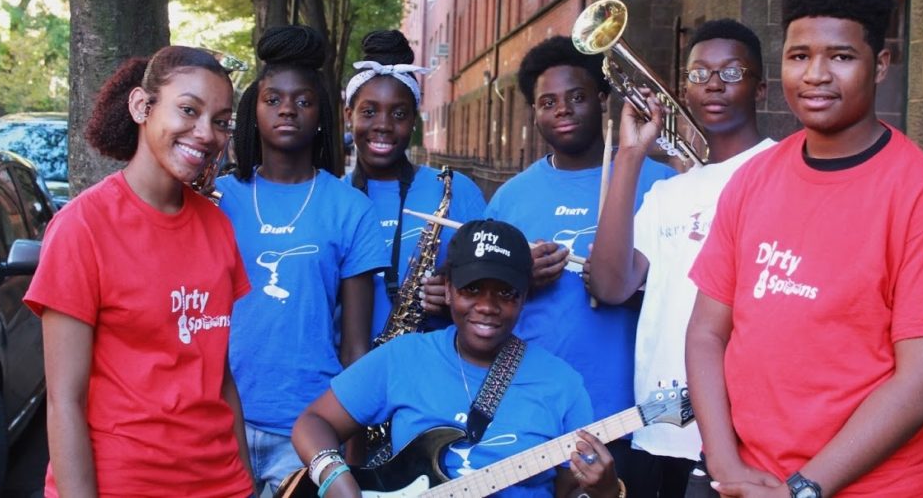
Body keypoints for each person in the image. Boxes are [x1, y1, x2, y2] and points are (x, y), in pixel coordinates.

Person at [685, 0, 923, 498]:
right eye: (799, 56)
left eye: (841, 57)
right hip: (743, 478)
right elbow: (707, 333)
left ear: (880, 65)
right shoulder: (753, 179)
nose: (816, 75)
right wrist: (725, 464)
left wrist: (802, 489)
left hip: (868, 489)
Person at [23, 47, 254, 497]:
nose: (206, 133)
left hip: (222, 483)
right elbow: (64, 401)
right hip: (122, 483)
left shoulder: (218, 227)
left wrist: (246, 483)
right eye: (189, 110)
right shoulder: (82, 227)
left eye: (221, 121)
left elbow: (219, 377)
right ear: (141, 106)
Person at [291, 218, 623, 498]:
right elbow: (313, 423)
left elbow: (570, 491)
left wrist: (606, 491)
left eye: (506, 292)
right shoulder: (405, 357)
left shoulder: (562, 385)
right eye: (471, 289)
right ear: (448, 290)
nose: (487, 306)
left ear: (524, 297)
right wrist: (336, 479)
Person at [588, 18, 774, 497]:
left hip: (745, 434)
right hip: (661, 425)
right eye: (698, 74)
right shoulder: (668, 192)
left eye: (731, 72)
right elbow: (610, 285)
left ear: (761, 89)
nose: (713, 84)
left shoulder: (781, 171)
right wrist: (631, 155)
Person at [483, 35, 674, 483]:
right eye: (547, 102)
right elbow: (481, 301)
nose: (562, 110)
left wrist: (628, 284)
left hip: (631, 413)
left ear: (603, 99)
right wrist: (518, 277)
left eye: (577, 97)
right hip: (532, 408)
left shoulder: (661, 184)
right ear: (534, 113)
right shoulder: (510, 197)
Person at [217, 25, 389, 495]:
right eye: (272, 99)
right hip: (218, 420)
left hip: (306, 429)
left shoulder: (350, 208)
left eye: (303, 101)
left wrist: (350, 453)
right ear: (253, 111)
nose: (287, 109)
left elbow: (356, 347)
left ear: (322, 116)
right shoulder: (218, 200)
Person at [343, 29, 486, 339]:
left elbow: (493, 288)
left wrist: (458, 294)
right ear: (348, 116)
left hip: (433, 361)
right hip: (347, 365)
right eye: (368, 112)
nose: (383, 125)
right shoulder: (330, 197)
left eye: (399, 114)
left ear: (413, 121)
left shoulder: (456, 190)